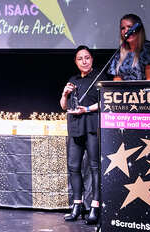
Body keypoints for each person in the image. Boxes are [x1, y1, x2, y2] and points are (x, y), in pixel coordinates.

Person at [60, 45, 102, 225]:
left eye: (87, 57)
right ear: (76, 62)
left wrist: (87, 109)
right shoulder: (73, 79)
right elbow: (64, 106)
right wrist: (65, 94)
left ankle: (95, 206)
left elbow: (105, 102)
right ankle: (77, 205)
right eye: (80, 59)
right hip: (75, 127)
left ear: (92, 59)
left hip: (92, 127)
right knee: (73, 167)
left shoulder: (99, 78)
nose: (84, 61)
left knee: (94, 167)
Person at [108, 14, 150, 80]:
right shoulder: (119, 54)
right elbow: (117, 82)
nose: (126, 31)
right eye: (123, 28)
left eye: (130, 27)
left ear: (138, 29)